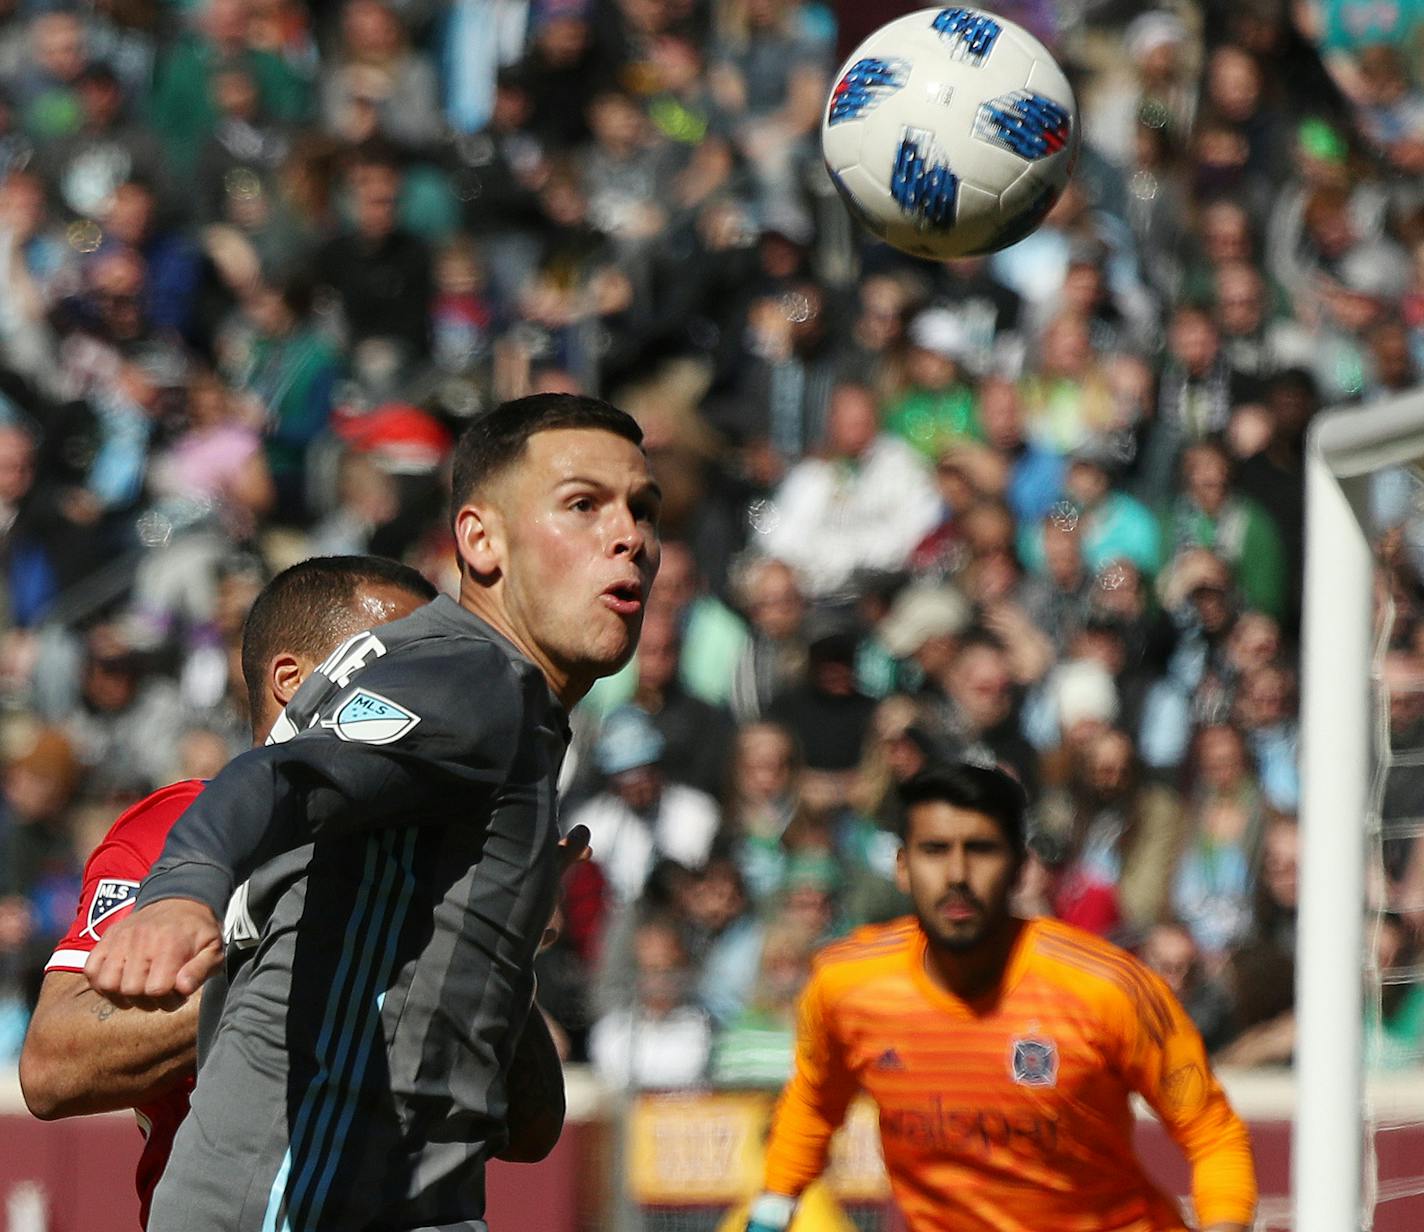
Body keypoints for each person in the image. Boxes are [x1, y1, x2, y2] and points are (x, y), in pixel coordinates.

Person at [83, 393, 662, 1232]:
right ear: (480, 540)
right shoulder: (474, 678)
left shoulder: (491, 708)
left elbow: (525, 1126)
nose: (629, 537)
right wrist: (181, 890)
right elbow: (274, 779)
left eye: (644, 510)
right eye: (583, 505)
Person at [18, 555, 438, 1227]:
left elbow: (533, 1126)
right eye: (396, 669)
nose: (428, 701)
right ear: (293, 683)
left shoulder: (441, 853)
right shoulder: (172, 830)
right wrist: (286, 968)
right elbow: (52, 1066)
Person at [743, 762, 1257, 1232]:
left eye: (982, 849)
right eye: (935, 850)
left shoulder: (1108, 988)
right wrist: (771, 1210)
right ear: (902, 867)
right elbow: (814, 1100)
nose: (958, 875)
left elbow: (1211, 1132)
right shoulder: (847, 985)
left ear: (1018, 867)